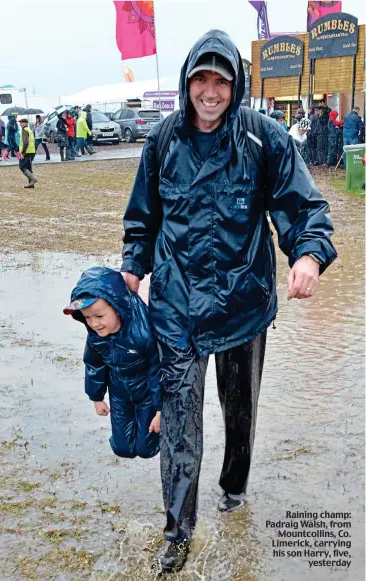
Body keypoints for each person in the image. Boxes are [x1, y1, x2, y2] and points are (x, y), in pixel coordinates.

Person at [121, 29, 337, 573]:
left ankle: (234, 489)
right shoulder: (162, 140)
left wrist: (307, 256)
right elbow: (142, 217)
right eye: (201, 79)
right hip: (176, 308)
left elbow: (305, 207)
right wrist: (131, 267)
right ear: (187, 81)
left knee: (238, 413)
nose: (210, 91)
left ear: (235, 84)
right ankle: (178, 530)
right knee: (178, 422)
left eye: (221, 80)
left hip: (243, 306)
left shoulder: (265, 138)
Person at [63, 266, 162, 458]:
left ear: (117, 308)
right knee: (122, 449)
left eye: (99, 316)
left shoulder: (143, 333)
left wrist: (160, 410)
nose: (94, 324)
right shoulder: (96, 335)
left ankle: (162, 430)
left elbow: (157, 369)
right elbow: (93, 364)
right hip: (119, 393)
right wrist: (96, 397)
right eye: (87, 317)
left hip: (147, 394)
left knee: (145, 449)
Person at [18, 118, 38, 188]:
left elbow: (25, 143)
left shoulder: (24, 130)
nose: (20, 124)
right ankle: (31, 184)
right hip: (31, 151)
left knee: (22, 166)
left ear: (25, 123)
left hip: (27, 152)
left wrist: (22, 152)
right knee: (28, 167)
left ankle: (33, 179)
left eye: (21, 122)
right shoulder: (29, 130)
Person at [316, 99, 331, 165]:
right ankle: (322, 161)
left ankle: (323, 161)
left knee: (322, 148)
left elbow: (323, 123)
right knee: (322, 148)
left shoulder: (325, 112)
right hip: (322, 132)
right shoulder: (322, 114)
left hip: (323, 132)